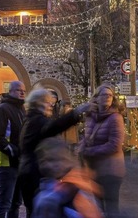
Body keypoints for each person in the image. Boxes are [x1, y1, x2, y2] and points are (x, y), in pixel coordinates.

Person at [18, 88, 87, 217]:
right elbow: (54, 127)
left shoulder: (30, 119)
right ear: (38, 103)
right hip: (34, 173)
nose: (51, 105)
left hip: (28, 172)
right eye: (48, 102)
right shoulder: (37, 120)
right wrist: (75, 113)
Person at [78, 83, 126, 218]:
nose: (107, 97)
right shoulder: (90, 116)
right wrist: (81, 147)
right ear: (96, 98)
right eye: (104, 94)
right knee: (98, 207)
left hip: (111, 169)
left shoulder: (116, 118)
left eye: (110, 95)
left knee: (111, 207)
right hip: (95, 169)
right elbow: (87, 138)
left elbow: (114, 145)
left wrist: (89, 151)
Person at [32, 137, 103, 218]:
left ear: (70, 160)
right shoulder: (46, 195)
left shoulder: (80, 189)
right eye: (44, 161)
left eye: (57, 160)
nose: (50, 165)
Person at [0, 80, 26, 218]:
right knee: (5, 203)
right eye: (19, 90)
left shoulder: (21, 109)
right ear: (11, 91)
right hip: (6, 162)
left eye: (24, 90)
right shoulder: (2, 109)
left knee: (16, 203)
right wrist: (15, 151)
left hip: (20, 162)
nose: (22, 92)